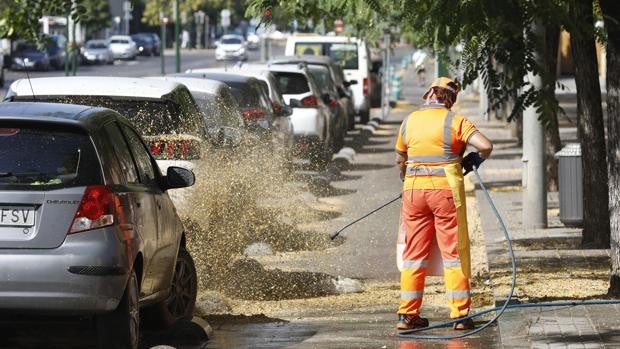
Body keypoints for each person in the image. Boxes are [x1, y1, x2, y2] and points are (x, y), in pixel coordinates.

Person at [394, 77, 493, 331]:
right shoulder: (455, 121)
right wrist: (472, 160)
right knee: (453, 254)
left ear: (429, 94)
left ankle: (407, 316)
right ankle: (460, 316)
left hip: (414, 193)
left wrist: (408, 178)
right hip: (445, 194)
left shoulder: (410, 120)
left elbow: (400, 158)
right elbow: (485, 146)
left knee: (414, 255)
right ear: (451, 99)